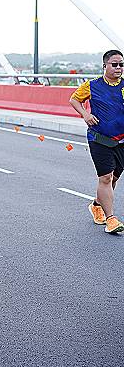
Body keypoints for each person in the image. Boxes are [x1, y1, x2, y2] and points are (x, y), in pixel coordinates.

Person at [69, 49, 124, 234]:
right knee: (105, 178)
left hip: (121, 140)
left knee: (114, 178)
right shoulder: (92, 85)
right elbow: (74, 100)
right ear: (105, 66)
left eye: (121, 64)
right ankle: (111, 219)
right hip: (99, 138)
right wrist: (85, 114)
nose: (118, 68)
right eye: (114, 64)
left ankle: (96, 205)